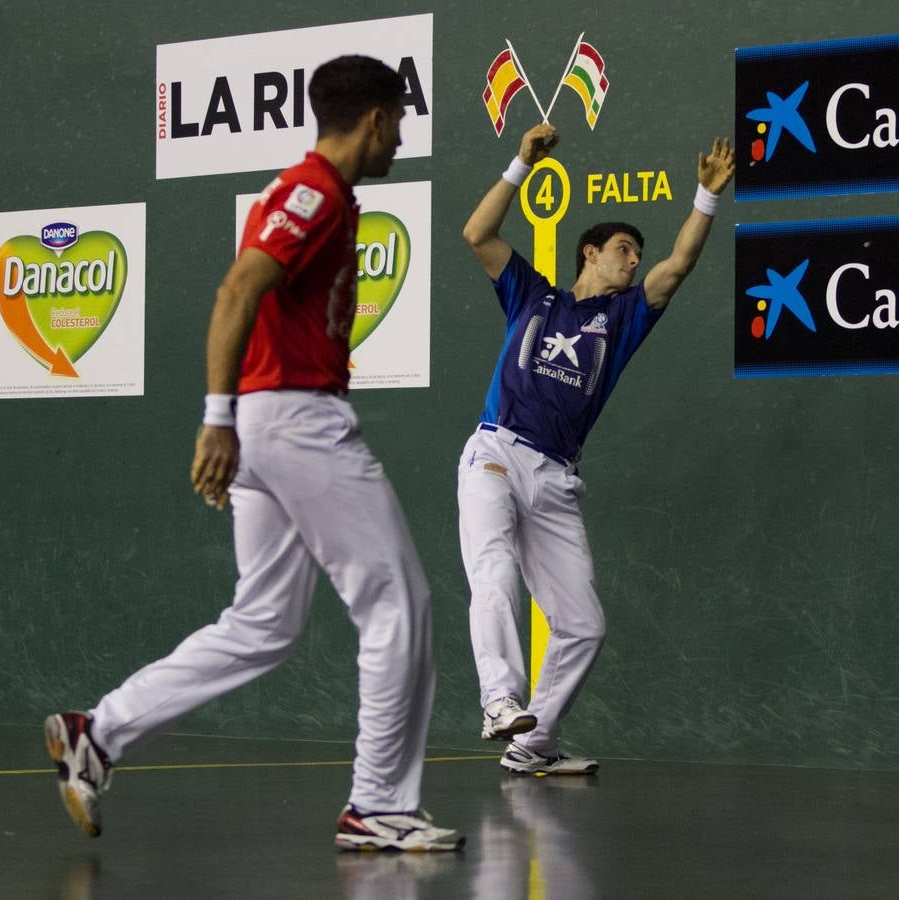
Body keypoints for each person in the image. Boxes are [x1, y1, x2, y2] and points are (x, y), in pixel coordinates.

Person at [44, 55, 463, 853]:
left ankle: (98, 732)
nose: (402, 140)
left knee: (264, 621)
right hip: (295, 421)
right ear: (375, 118)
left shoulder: (314, 194)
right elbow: (238, 289)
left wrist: (232, 420)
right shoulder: (314, 194)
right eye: (400, 123)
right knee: (399, 602)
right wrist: (216, 418)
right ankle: (377, 804)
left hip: (268, 427)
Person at [459, 122, 735, 775]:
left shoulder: (625, 318)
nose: (633, 260)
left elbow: (681, 265)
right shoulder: (532, 296)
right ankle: (500, 700)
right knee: (493, 568)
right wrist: (521, 163)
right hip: (497, 454)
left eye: (636, 253)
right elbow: (477, 234)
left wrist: (706, 197)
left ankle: (532, 746)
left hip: (556, 479)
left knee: (583, 625)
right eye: (621, 249)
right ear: (588, 254)